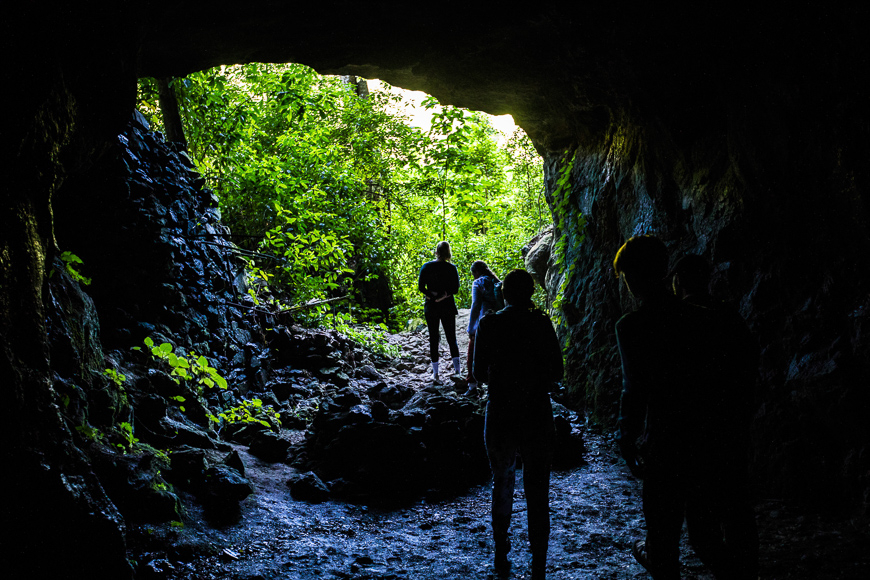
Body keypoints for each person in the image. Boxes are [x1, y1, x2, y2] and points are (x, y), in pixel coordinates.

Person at [614, 235, 758, 580]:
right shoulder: (705, 318)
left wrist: (626, 438)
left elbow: (634, 391)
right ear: (665, 270)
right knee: (704, 536)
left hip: (665, 444)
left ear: (631, 278)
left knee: (662, 542)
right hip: (707, 440)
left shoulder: (631, 326)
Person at [472, 269, 563, 579]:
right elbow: (558, 371)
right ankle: (538, 563)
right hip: (537, 413)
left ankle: (501, 552)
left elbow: (479, 374)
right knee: (538, 492)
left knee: (502, 483)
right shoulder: (541, 323)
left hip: (500, 414)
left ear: (504, 294)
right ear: (531, 293)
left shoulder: (489, 324)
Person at [417, 241, 461, 382]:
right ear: (448, 253)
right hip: (447, 306)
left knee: (433, 338)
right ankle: (457, 371)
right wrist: (444, 296)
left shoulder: (427, 266)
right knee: (451, 338)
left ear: (436, 252)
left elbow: (421, 287)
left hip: (431, 306)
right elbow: (455, 289)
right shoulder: (451, 268)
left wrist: (432, 296)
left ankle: (435, 374)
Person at [464, 260, 501, 397]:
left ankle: (472, 385)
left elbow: (476, 306)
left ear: (476, 272)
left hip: (483, 322)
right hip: (497, 322)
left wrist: (471, 329)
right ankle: (493, 385)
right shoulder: (497, 282)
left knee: (472, 352)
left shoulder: (478, 283)